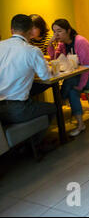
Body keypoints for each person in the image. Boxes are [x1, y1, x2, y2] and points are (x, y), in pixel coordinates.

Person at [0, 15, 56, 151]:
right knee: (53, 108)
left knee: (32, 94)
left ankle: (27, 141)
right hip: (17, 109)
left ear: (12, 30)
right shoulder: (32, 50)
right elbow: (45, 76)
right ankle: (36, 144)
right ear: (31, 31)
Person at [48, 19, 89, 136]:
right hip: (78, 77)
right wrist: (50, 45)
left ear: (68, 30)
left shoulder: (80, 42)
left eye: (59, 31)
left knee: (70, 83)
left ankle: (59, 103)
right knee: (72, 91)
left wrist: (81, 86)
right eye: (54, 32)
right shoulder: (62, 44)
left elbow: (86, 67)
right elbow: (54, 58)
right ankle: (80, 125)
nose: (56, 35)